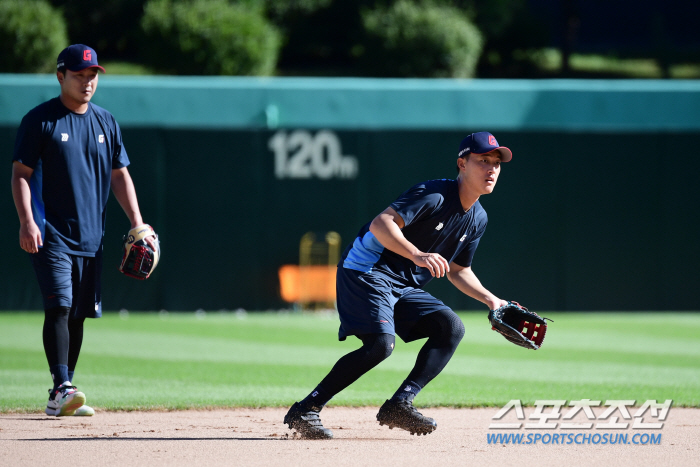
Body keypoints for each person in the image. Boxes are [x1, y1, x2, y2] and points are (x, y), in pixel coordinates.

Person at [284, 132, 514, 438]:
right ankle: (305, 410)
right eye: (483, 160)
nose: (492, 169)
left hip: (402, 285)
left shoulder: (478, 218)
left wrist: (492, 300)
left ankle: (399, 404)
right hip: (366, 270)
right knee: (381, 345)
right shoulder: (434, 195)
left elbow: (459, 270)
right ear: (462, 163)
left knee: (450, 328)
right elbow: (382, 224)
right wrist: (417, 254)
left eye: (497, 163)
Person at [11, 44, 156, 417]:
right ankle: (62, 385)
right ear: (61, 76)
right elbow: (21, 175)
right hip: (50, 231)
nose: (88, 81)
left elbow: (119, 174)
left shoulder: (106, 122)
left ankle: (63, 390)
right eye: (79, 75)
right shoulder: (41, 120)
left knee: (78, 313)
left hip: (92, 236)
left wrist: (137, 221)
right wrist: (27, 221)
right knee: (59, 306)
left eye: (92, 75)